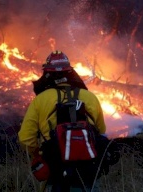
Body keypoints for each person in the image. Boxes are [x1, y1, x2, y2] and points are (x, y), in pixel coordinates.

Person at [18, 50, 107, 192]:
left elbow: (25, 138)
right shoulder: (90, 97)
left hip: (55, 171)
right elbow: (101, 131)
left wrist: (38, 155)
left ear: (47, 74)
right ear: (70, 72)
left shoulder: (41, 100)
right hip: (88, 172)